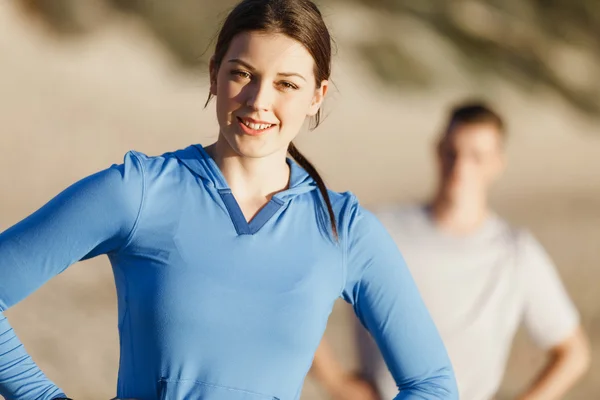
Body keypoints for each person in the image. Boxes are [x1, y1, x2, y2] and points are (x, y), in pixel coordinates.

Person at [0, 1, 459, 399]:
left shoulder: (345, 230)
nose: (259, 101)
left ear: (317, 96)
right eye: (243, 74)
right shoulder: (138, 192)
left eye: (287, 84)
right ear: (214, 75)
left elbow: (433, 383)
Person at [311, 102, 590, 400]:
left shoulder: (515, 253)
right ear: (437, 150)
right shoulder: (379, 229)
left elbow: (573, 354)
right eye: (453, 153)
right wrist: (336, 381)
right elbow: (299, 288)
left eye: (477, 157)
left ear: (498, 162)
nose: (461, 167)